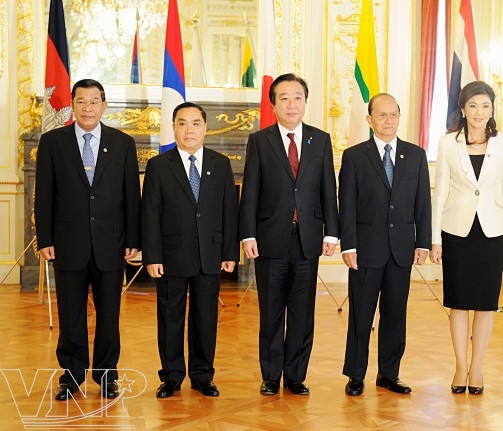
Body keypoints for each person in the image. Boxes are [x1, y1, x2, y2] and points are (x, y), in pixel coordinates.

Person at [34, 78, 140, 400]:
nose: (88, 108)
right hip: (68, 242)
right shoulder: (53, 142)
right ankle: (71, 375)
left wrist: (133, 238)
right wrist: (45, 238)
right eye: (81, 101)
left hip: (111, 242)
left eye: (94, 102)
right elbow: (44, 195)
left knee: (109, 315)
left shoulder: (123, 143)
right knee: (70, 314)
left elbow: (131, 196)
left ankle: (107, 376)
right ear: (72, 105)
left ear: (104, 105)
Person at [239, 73, 340, 396]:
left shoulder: (320, 140)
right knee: (271, 311)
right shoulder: (260, 141)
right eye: (284, 98)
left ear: (305, 102)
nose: (291, 104)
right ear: (273, 105)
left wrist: (332, 233)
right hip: (269, 239)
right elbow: (251, 191)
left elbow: (328, 189)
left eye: (297, 97)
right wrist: (248, 234)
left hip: (308, 239)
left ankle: (296, 375)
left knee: (302, 312)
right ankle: (270, 375)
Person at [141, 102, 239, 398]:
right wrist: (152, 256)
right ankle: (171, 376)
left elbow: (229, 211)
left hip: (210, 255)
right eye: (182, 123)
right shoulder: (159, 166)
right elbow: (150, 214)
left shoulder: (220, 164)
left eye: (196, 123)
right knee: (169, 318)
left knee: (205, 318)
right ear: (173, 128)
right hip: (171, 256)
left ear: (205, 128)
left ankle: (202, 375)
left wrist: (229, 252)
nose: (189, 130)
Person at [338, 93, 431, 396]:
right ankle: (355, 375)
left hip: (401, 249)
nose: (388, 120)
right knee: (361, 315)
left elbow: (423, 202)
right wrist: (348, 246)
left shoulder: (415, 155)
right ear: (369, 120)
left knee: (395, 314)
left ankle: (389, 374)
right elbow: (346, 205)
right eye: (381, 115)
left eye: (393, 114)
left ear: (399, 117)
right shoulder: (354, 156)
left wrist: (423, 242)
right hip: (365, 249)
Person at [429, 81, 503, 395]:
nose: (479, 112)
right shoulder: (447, 142)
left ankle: (477, 367)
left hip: (493, 232)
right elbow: (440, 192)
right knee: (458, 303)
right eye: (473, 106)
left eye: (485, 106)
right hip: (456, 232)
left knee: (484, 304)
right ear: (463, 109)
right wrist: (435, 239)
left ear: (492, 109)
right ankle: (459, 366)